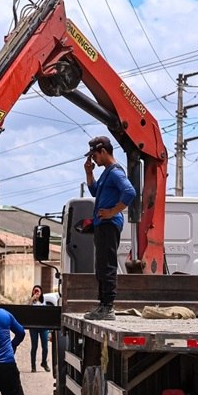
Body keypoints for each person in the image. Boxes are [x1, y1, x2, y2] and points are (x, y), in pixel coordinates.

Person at [82, 136, 136, 321]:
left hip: (109, 224)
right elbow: (95, 191)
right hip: (103, 224)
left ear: (103, 151)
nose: (94, 159)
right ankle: (103, 305)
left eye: (94, 155)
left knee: (107, 265)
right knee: (101, 266)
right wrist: (89, 173)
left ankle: (108, 307)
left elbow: (130, 192)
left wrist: (112, 212)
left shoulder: (115, 172)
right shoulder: (107, 173)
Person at [27, 285, 50, 373]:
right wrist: (32, 299)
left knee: (45, 347)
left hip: (43, 327)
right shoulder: (31, 301)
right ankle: (33, 366)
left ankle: (44, 362)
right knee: (34, 346)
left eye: (38, 291)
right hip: (33, 327)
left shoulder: (44, 301)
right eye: (35, 291)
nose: (36, 293)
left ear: (41, 293)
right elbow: (27, 309)